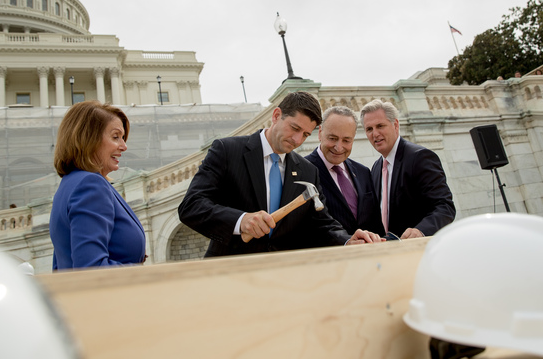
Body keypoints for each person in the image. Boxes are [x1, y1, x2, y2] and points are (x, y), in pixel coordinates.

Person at [178, 91, 382, 257]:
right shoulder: (227, 151)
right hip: (230, 270)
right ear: (276, 116)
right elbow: (191, 206)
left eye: (305, 134)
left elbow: (321, 222)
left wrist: (346, 240)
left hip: (283, 275)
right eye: (294, 128)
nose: (297, 140)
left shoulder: (308, 170)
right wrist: (241, 220)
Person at [49, 100, 146, 270]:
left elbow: (59, 265)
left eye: (122, 138)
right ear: (88, 139)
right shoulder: (90, 185)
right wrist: (146, 273)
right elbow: (91, 268)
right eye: (116, 137)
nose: (124, 146)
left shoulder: (69, 185)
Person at [361, 99, 456, 239]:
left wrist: (420, 231)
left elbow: (444, 207)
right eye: (369, 129)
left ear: (395, 125)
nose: (375, 134)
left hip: (421, 248)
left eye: (380, 126)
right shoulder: (376, 168)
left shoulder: (420, 157)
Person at [305, 106, 385, 236]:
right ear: (320, 133)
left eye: (346, 140)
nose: (339, 147)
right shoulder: (302, 171)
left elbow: (375, 222)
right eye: (332, 138)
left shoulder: (363, 172)